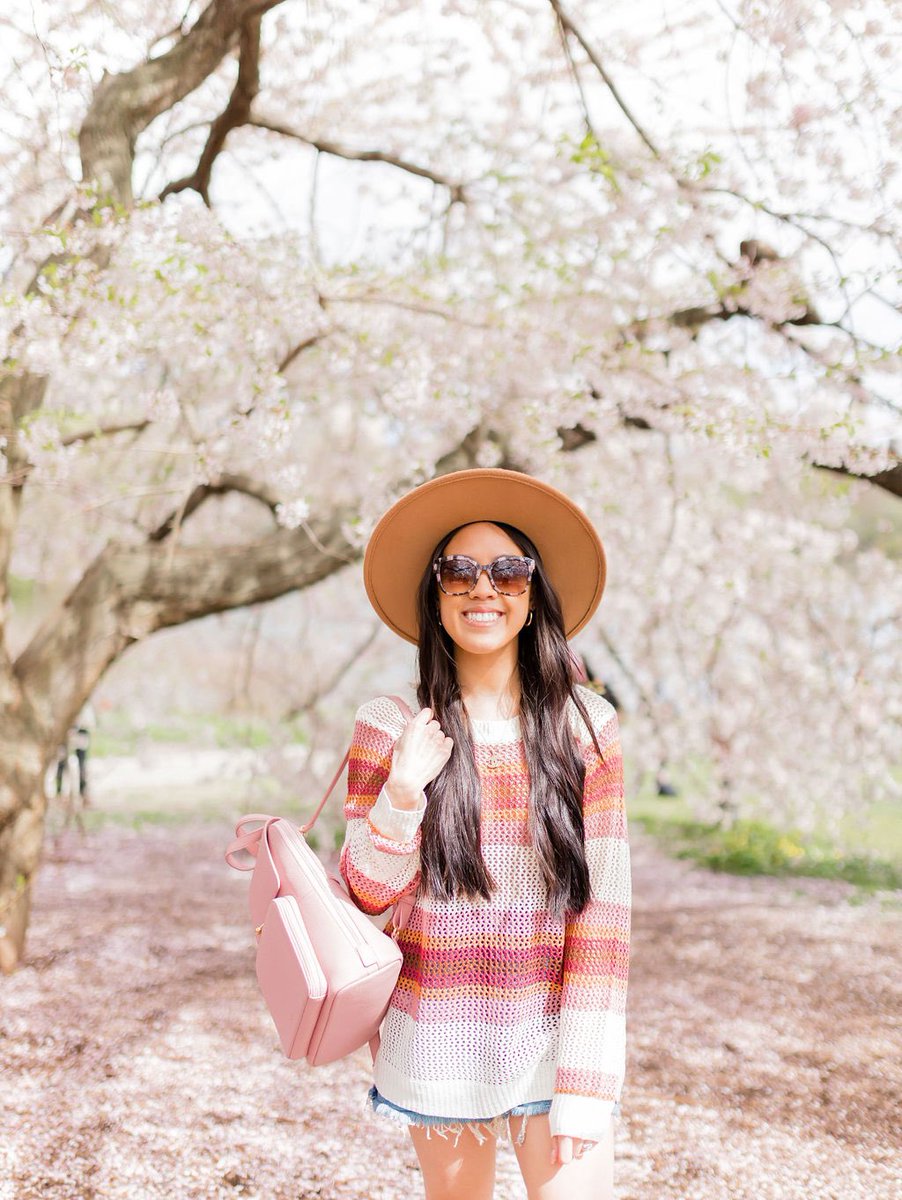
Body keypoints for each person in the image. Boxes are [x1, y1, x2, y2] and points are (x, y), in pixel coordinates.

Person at [340, 468, 631, 1200]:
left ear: (533, 598)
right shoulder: (389, 726)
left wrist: (587, 1078)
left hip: (554, 1035)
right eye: (458, 572)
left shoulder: (587, 728)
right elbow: (368, 898)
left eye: (508, 570)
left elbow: (605, 916)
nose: (483, 588)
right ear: (435, 596)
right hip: (436, 1032)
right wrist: (404, 791)